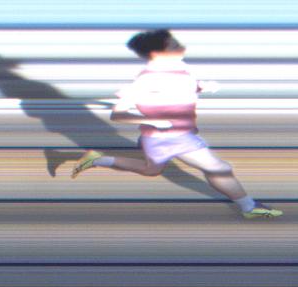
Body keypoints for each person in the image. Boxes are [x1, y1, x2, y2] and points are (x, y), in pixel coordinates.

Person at [71, 29, 282, 219]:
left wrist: (202, 86)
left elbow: (181, 88)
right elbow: (118, 115)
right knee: (218, 168)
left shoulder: (181, 69)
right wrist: (153, 120)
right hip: (166, 138)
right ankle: (249, 207)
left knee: (151, 170)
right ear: (157, 53)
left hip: (180, 133)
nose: (181, 47)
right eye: (173, 45)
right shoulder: (147, 80)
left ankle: (97, 159)